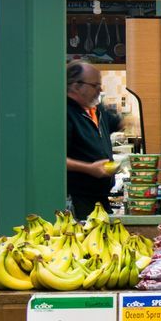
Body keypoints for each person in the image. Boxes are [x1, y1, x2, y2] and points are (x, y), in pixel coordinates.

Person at [65, 59, 121, 218]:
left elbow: (117, 122)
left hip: (101, 198)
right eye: (95, 85)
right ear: (76, 86)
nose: (100, 89)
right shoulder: (65, 113)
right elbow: (55, 159)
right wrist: (89, 168)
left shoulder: (96, 109)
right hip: (79, 200)